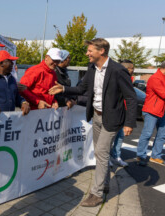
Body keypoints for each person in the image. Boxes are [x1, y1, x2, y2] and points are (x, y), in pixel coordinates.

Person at [49, 38, 137, 207]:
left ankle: (96, 194)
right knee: (99, 152)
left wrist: (129, 123)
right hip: (96, 116)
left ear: (101, 51)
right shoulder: (91, 68)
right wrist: (64, 89)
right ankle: (104, 185)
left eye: (90, 50)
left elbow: (131, 98)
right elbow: (82, 89)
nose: (87, 53)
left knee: (101, 153)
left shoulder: (118, 70)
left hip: (112, 119)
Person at [110, 60, 145, 167]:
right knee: (110, 138)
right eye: (132, 69)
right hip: (114, 113)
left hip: (123, 113)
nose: (133, 71)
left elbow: (133, 97)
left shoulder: (128, 80)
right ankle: (106, 158)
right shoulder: (116, 79)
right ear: (127, 69)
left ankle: (116, 156)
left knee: (120, 136)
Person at [0, 50, 30, 115]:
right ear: (1, 63)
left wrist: (23, 102)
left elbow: (16, 96)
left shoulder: (12, 79)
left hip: (8, 122)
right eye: (10, 61)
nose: (12, 64)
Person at [136, 62, 165, 166]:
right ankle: (141, 155)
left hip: (162, 110)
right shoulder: (155, 78)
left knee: (162, 135)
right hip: (152, 110)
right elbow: (163, 93)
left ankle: (156, 155)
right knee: (147, 133)